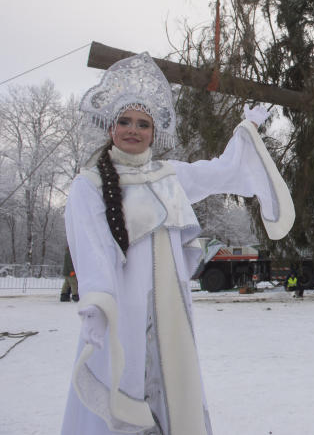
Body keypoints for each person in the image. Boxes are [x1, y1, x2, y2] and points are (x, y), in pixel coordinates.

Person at [60, 52, 295, 435]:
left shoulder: (171, 177)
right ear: (111, 128)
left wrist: (248, 127)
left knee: (173, 391)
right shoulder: (89, 185)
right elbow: (91, 248)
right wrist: (99, 303)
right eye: (125, 122)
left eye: (142, 124)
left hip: (171, 314)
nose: (133, 130)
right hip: (122, 311)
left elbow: (221, 171)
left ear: (154, 132)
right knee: (124, 387)